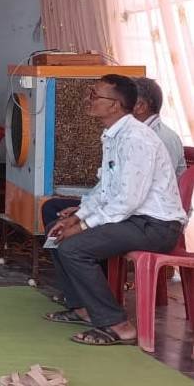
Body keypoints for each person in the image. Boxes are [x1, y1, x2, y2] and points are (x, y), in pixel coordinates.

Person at [42, 74, 185, 346]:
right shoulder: (114, 135)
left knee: (74, 248)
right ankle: (82, 308)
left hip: (157, 225)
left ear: (115, 105)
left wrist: (82, 226)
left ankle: (119, 325)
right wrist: (77, 216)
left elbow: (127, 200)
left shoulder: (136, 138)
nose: (89, 99)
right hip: (134, 219)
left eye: (95, 95)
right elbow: (106, 189)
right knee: (56, 232)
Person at [133, 77, 187, 178]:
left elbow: (159, 182)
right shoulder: (135, 133)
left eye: (124, 101)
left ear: (140, 106)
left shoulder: (162, 139)